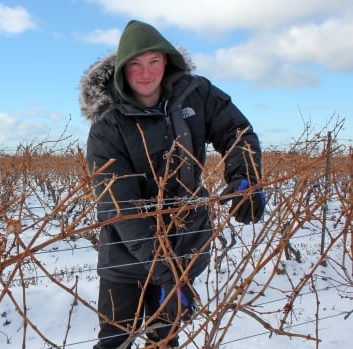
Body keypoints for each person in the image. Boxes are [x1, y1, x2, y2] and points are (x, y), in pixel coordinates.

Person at [80, 20, 265, 348]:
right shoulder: (108, 126)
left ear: (167, 61)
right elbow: (119, 206)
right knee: (114, 339)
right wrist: (166, 271)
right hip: (125, 257)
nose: (146, 73)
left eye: (153, 61)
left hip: (185, 243)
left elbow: (237, 132)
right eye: (135, 64)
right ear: (123, 69)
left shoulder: (197, 94)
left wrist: (246, 179)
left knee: (164, 341)